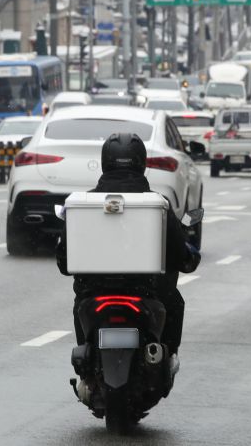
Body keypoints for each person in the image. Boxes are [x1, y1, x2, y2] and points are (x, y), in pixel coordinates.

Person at [56, 133, 200, 358]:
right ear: (141, 163)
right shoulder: (157, 203)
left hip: (93, 293)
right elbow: (182, 257)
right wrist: (187, 256)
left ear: (105, 162)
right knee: (174, 302)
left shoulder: (83, 204)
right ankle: (167, 356)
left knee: (80, 305)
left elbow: (64, 264)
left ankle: (86, 357)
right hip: (147, 292)